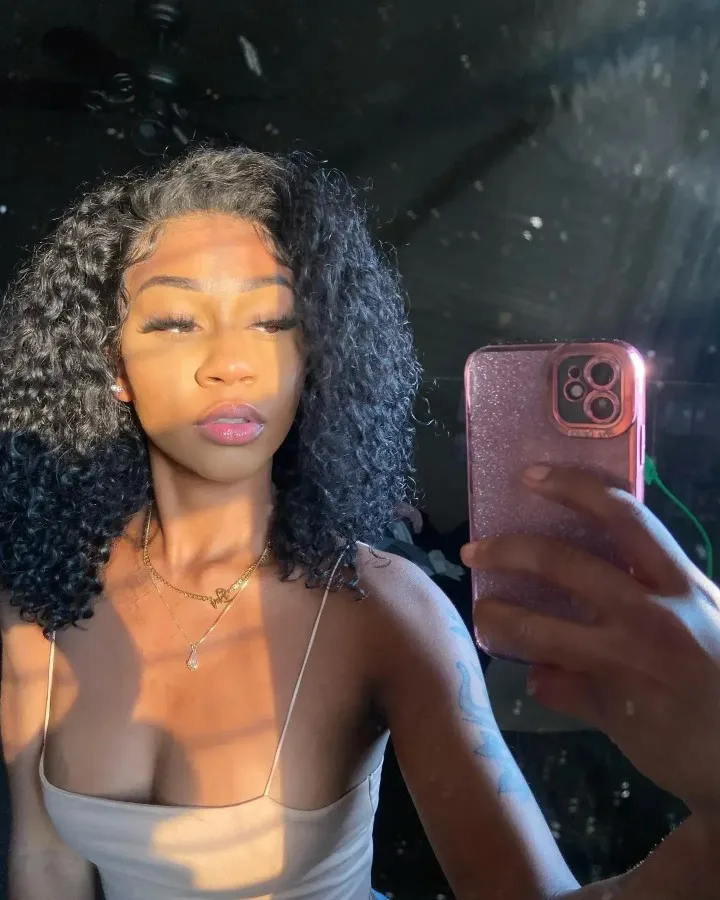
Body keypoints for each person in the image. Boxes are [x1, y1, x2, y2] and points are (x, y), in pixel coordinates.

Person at [0, 145, 718, 900]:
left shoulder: (384, 611)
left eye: (272, 321)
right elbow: (46, 863)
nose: (230, 363)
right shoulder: (45, 601)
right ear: (114, 366)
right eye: (178, 322)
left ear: (314, 354)